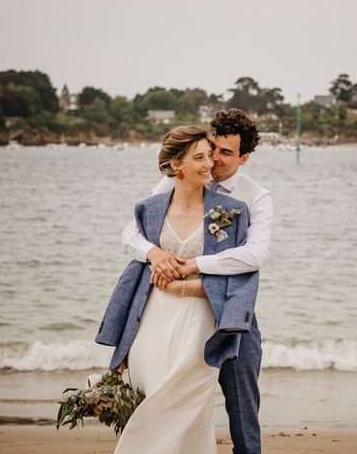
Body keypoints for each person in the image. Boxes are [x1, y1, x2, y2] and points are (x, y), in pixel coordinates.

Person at [95, 125, 260, 453]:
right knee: (152, 401)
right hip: (152, 323)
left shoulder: (233, 211)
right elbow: (131, 240)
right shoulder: (150, 208)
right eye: (199, 157)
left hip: (200, 325)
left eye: (210, 155)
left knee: (186, 408)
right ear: (175, 167)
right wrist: (155, 254)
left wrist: (188, 285)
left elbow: (245, 272)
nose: (209, 163)